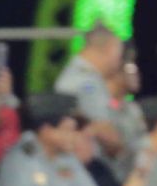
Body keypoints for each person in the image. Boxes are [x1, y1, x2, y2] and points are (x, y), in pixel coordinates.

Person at [52, 25, 125, 159]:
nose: (119, 62)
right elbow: (104, 130)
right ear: (110, 49)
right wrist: (121, 145)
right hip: (84, 163)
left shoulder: (83, 76)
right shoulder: (86, 82)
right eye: (119, 53)